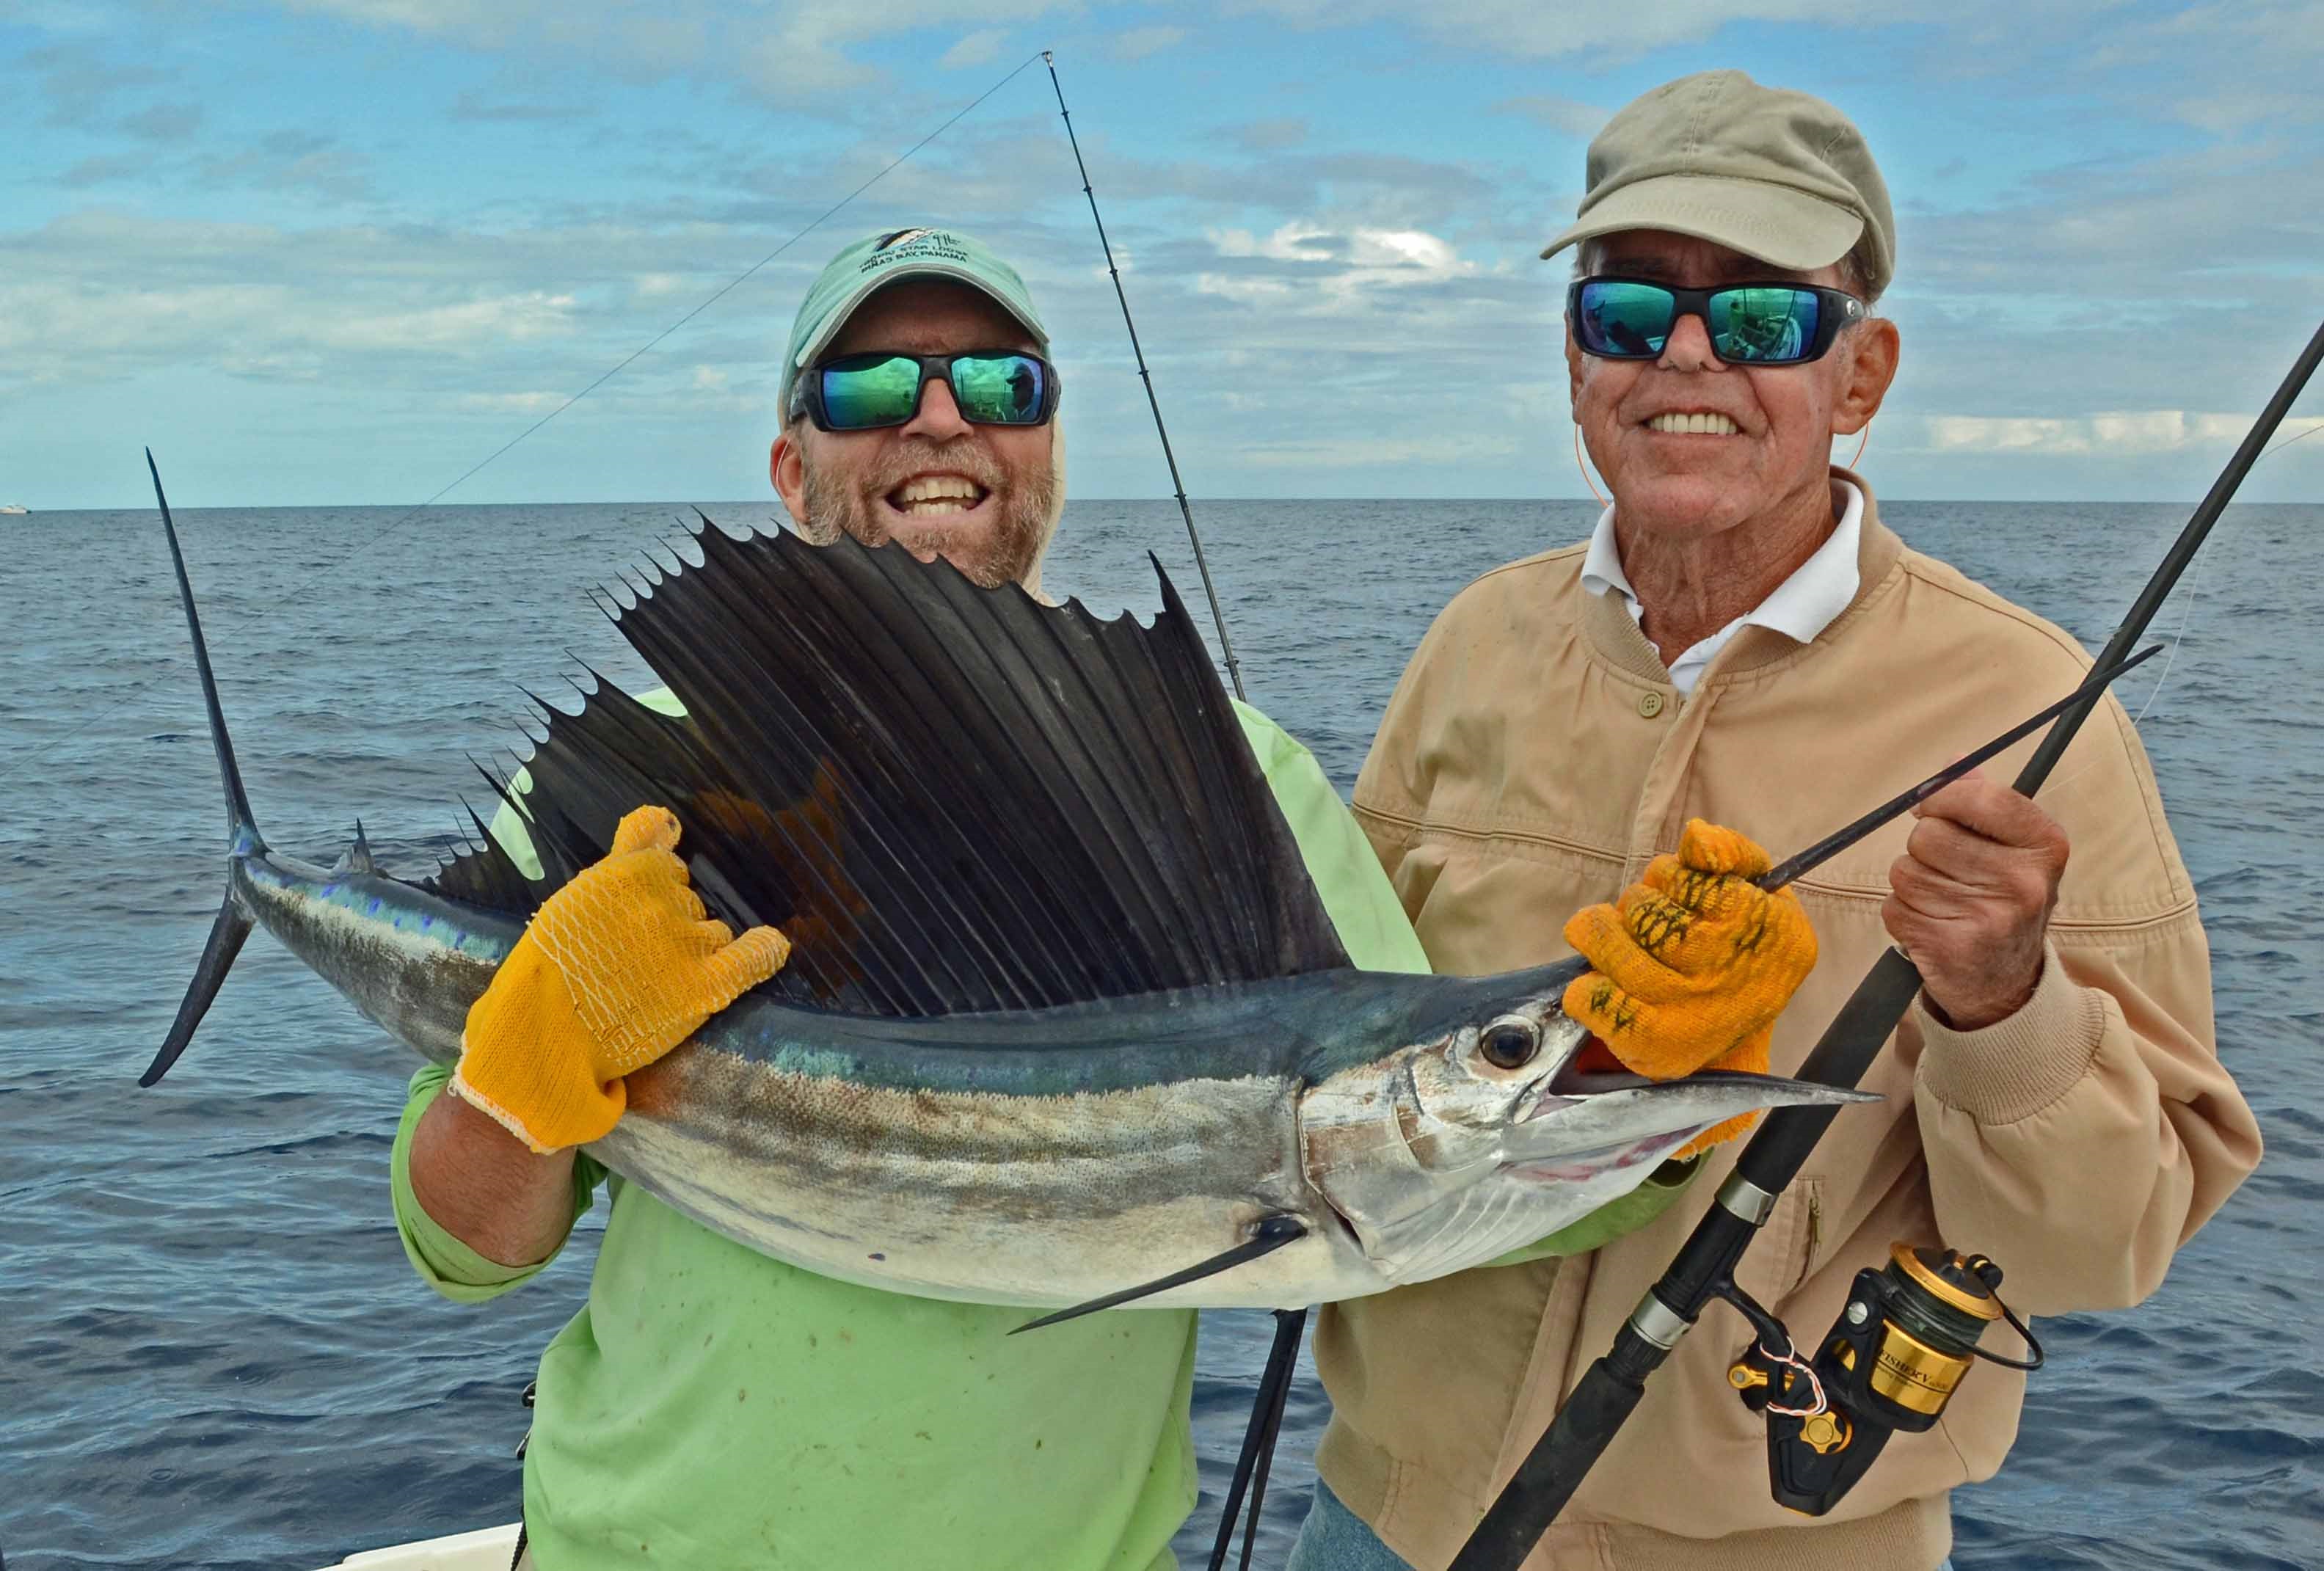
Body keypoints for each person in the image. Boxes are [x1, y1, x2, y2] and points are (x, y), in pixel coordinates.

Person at [390, 225, 1819, 1570]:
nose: (940, 418)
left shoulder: (1239, 779)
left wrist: (1651, 1062)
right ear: (790, 462)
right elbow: (465, 1245)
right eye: (875, 381)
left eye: (1002, 384)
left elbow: (1443, 1177)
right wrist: (523, 1080)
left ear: (1046, 453)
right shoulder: (648, 802)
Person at [1292, 70, 2264, 1571]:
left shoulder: (2033, 705)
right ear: (1573, 363)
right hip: (1377, 1522)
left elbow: (2105, 1248)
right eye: (1629, 313)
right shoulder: (1472, 647)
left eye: (1759, 317)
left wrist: (2004, 1004)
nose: (1688, 358)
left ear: (1860, 374)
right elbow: (1337, 1046)